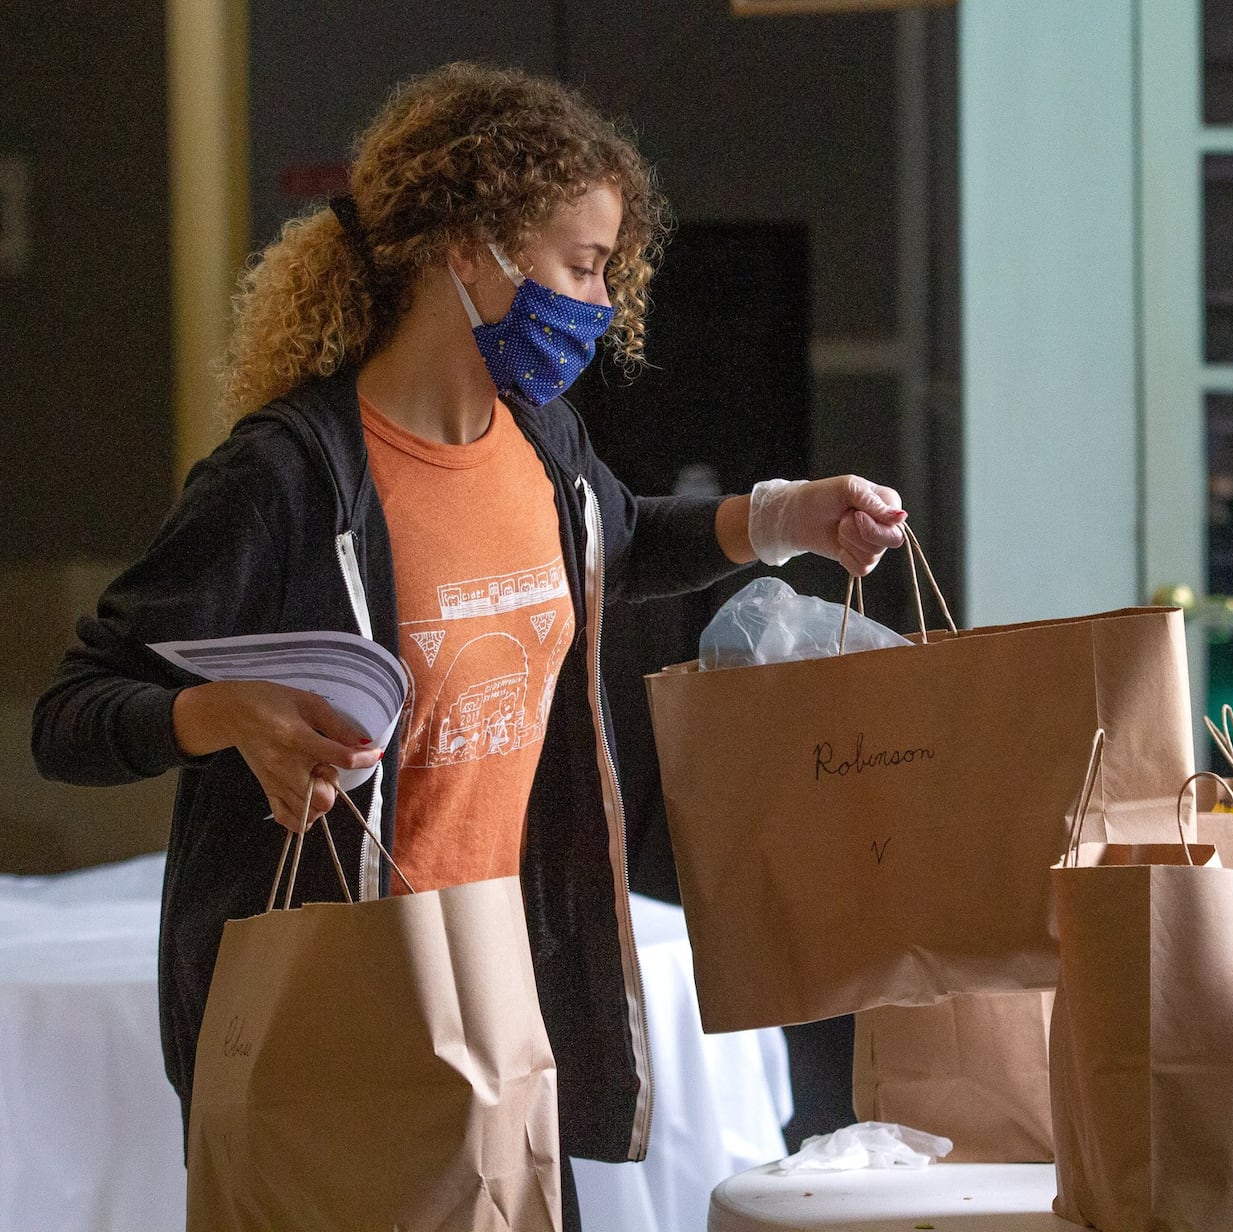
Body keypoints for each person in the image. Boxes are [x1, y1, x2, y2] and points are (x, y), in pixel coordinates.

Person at [31, 61, 905, 1230]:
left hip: (505, 1001)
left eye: (607, 272)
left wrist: (783, 516)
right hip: (341, 1017)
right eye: (579, 266)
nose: (597, 306)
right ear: (465, 251)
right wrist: (224, 717)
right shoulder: (290, 479)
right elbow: (75, 712)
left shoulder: (541, 444)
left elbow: (613, 538)